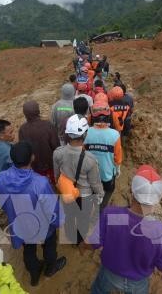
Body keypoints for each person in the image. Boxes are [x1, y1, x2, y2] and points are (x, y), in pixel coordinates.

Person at [81, 165, 162, 294]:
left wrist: (82, 246)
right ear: (158, 198)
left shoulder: (112, 215)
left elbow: (92, 243)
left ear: (132, 191)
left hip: (109, 276)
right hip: (138, 283)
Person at [0, 141, 66, 286]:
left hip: (20, 223)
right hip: (42, 224)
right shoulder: (40, 183)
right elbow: (51, 209)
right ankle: (50, 268)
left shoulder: (1, 178)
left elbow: (1, 199)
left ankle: (34, 274)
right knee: (49, 246)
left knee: (28, 248)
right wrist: (58, 221)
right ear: (32, 157)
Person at [53, 115, 104, 245]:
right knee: (83, 218)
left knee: (69, 216)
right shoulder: (90, 159)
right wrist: (100, 195)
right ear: (85, 134)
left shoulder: (58, 153)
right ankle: (79, 239)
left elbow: (56, 175)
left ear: (68, 134)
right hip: (84, 196)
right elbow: (95, 183)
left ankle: (70, 236)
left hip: (67, 192)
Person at [84, 101, 123, 209]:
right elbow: (118, 157)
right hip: (107, 174)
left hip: (90, 174)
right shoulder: (114, 135)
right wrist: (118, 168)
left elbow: (82, 153)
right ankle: (102, 206)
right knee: (109, 189)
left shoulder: (86, 133)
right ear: (108, 116)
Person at [19, 100, 60, 185]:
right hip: (50, 164)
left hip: (34, 167)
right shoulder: (48, 125)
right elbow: (56, 146)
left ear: (25, 114)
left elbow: (23, 149)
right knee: (54, 183)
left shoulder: (22, 129)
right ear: (38, 111)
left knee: (40, 185)